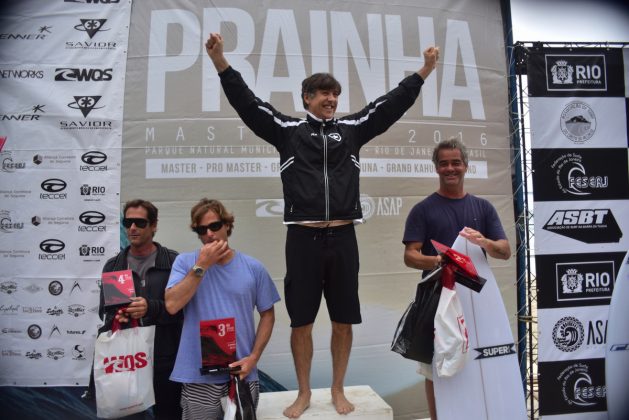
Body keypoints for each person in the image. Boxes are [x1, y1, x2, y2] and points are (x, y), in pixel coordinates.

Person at [205, 32, 439, 418]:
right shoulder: (287, 131)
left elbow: (388, 105)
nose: (331, 100)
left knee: (343, 320)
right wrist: (220, 62)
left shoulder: (352, 129)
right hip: (303, 238)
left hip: (344, 237)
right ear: (307, 99)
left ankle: (337, 388)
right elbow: (247, 103)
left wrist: (424, 71)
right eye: (323, 94)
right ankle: (302, 393)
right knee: (302, 321)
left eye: (335, 95)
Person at [402, 138, 511, 420]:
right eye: (444, 163)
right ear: (436, 168)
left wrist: (484, 241)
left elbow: (505, 251)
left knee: (479, 360)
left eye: (456, 163)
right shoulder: (423, 209)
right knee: (433, 367)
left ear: (465, 166)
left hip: (477, 301)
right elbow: (410, 256)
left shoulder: (483, 208)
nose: (450, 168)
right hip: (437, 301)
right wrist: (439, 262)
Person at [164, 198, 280, 420]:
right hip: (198, 376)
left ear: (227, 225)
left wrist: (254, 357)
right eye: (202, 229)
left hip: (241, 372)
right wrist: (202, 265)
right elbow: (172, 305)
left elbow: (268, 314)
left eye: (215, 226)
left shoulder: (253, 267)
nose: (209, 233)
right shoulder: (185, 262)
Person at [97, 199, 183, 420]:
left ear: (154, 225)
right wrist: (118, 314)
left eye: (140, 222)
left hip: (167, 361)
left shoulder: (175, 262)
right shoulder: (114, 265)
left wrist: (151, 308)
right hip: (128, 361)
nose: (132, 228)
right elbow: (106, 313)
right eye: (128, 222)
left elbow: (186, 310)